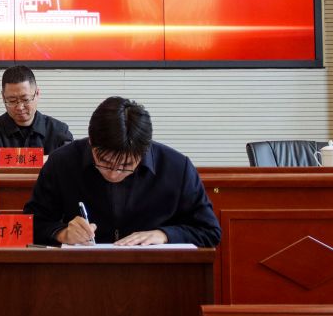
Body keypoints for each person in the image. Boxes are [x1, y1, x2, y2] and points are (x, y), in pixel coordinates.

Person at [23, 96, 221, 247]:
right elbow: (30, 224)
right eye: (104, 162)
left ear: (144, 151)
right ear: (91, 141)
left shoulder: (177, 168)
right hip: (82, 274)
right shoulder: (62, 162)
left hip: (154, 275)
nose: (113, 173)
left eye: (126, 166)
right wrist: (62, 233)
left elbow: (210, 231)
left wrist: (164, 235)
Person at [0, 65, 73, 159]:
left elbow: (73, 162)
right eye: (12, 101)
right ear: (3, 97)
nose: (19, 107)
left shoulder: (59, 131)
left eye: (25, 99)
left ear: (37, 93)